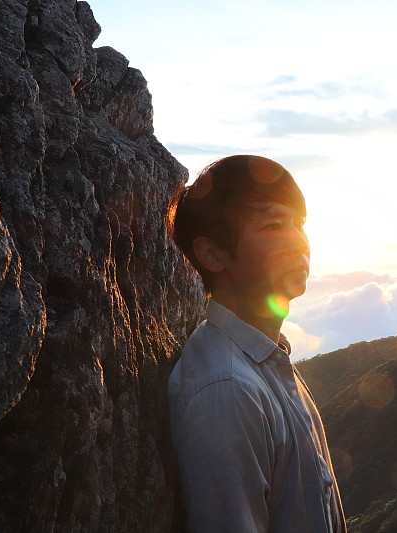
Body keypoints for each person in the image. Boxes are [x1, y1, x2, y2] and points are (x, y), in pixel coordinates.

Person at [165, 155, 346, 532]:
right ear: (212, 253)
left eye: (299, 224)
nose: (299, 242)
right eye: (273, 225)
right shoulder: (227, 390)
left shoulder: (268, 359)